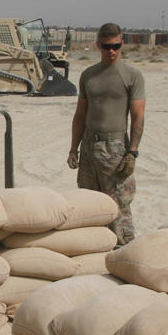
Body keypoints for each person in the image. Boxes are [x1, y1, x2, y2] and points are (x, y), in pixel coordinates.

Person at [68, 23, 146, 245]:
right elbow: (80, 114)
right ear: (98, 46)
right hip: (89, 147)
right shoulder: (89, 75)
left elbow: (138, 117)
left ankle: (124, 249)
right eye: (105, 46)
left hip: (116, 147)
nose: (111, 51)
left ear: (122, 44)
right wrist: (74, 148)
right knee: (89, 203)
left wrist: (132, 153)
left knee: (118, 204)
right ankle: (95, 248)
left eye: (115, 46)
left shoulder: (132, 76)